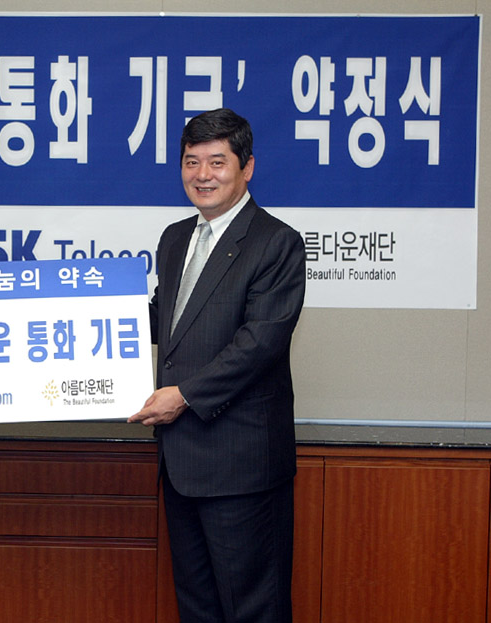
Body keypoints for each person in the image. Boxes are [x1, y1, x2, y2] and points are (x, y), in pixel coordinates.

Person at [129, 108, 305, 623]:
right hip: (182, 463)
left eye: (216, 161)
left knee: (254, 609)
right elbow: (162, 320)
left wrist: (182, 395)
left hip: (241, 464)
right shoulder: (175, 238)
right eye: (190, 162)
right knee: (198, 606)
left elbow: (259, 343)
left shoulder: (276, 242)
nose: (201, 174)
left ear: (246, 167)